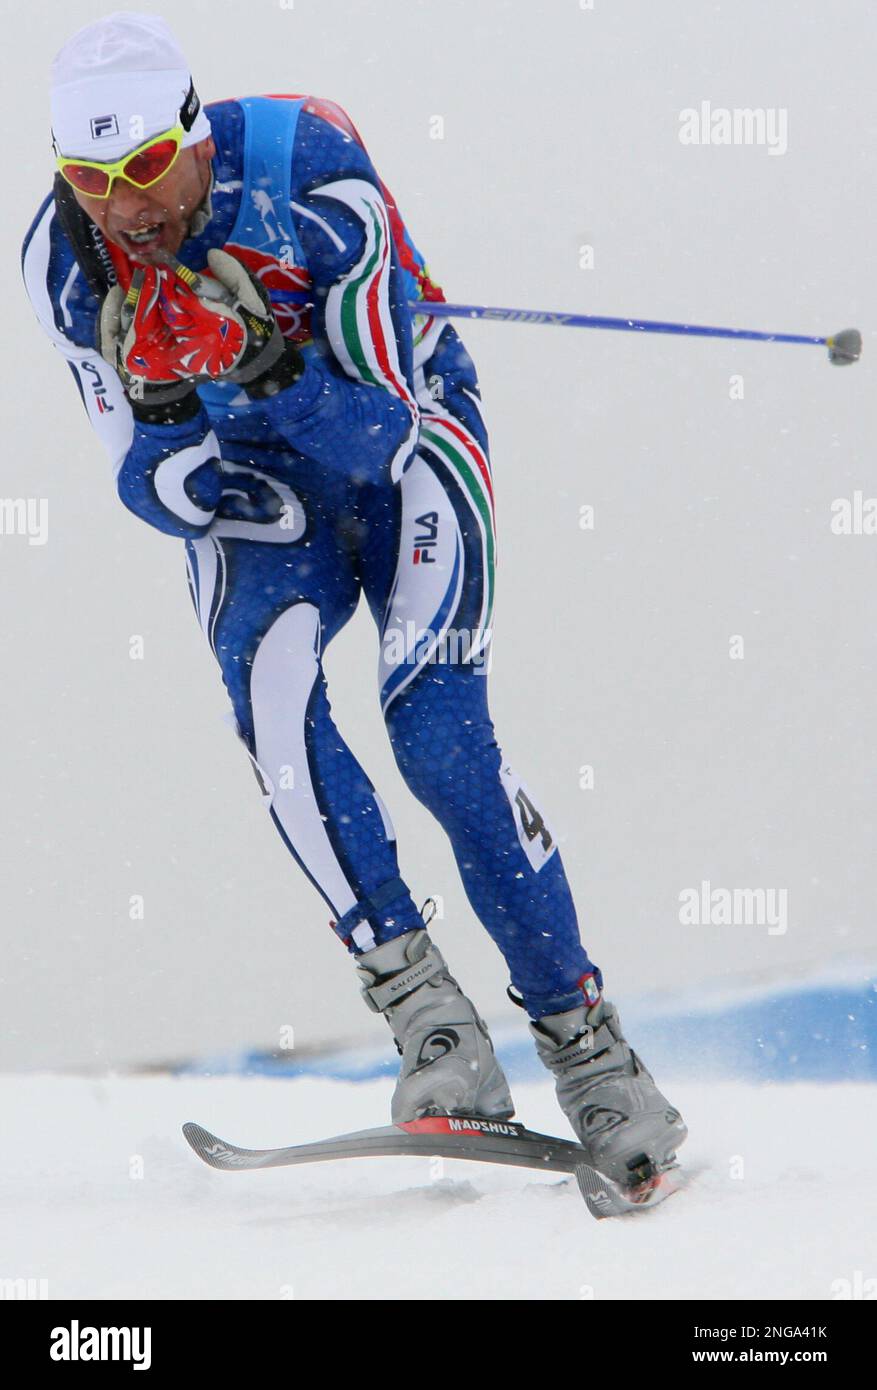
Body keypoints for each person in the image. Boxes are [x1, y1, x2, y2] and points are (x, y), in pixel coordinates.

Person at [22, 11, 686, 1187]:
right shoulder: (60, 259)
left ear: (192, 134)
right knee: (275, 710)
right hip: (254, 489)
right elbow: (161, 496)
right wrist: (170, 405)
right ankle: (432, 1022)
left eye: (141, 170)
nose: (125, 207)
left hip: (409, 448)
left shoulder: (308, 171)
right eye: (89, 176)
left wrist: (261, 365)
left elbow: (381, 429)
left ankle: (591, 1054)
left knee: (435, 739)